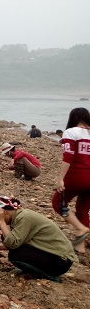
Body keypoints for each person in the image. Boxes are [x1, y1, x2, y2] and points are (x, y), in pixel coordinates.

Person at [0, 196, 75, 282]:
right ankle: (35, 269)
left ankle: (50, 276)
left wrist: (1, 221)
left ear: (4, 212)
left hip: (60, 262)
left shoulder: (24, 217)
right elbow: (19, 242)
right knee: (6, 236)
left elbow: (12, 244)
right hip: (55, 257)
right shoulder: (19, 216)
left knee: (15, 254)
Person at [52, 108, 90, 253]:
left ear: (73, 118)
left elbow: (68, 157)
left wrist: (60, 178)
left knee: (58, 203)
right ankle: (80, 246)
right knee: (83, 209)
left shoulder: (71, 132)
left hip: (77, 175)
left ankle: (81, 228)